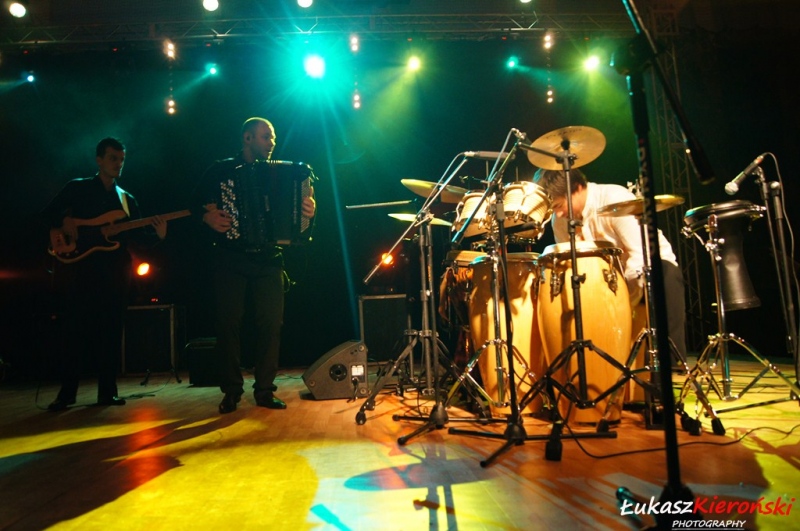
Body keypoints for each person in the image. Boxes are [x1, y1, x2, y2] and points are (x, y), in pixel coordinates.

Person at [192, 117, 316, 414]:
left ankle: (264, 390)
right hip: (230, 256)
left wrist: (310, 212)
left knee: (271, 323)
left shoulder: (288, 172)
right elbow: (193, 204)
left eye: (272, 137)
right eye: (266, 137)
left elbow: (302, 215)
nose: (272, 143)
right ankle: (231, 390)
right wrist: (206, 217)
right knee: (228, 324)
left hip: (269, 257)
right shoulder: (221, 170)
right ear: (247, 138)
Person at [42, 137, 168, 411]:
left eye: (122, 159)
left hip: (115, 273)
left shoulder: (126, 199)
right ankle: (66, 394)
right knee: (74, 332)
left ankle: (107, 393)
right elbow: (48, 212)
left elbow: (138, 238)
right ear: (99, 160)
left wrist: (158, 236)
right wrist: (65, 220)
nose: (118, 164)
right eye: (113, 158)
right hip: (82, 271)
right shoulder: (78, 187)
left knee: (111, 333)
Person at [533, 167, 687, 358]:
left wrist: (622, 301)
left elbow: (639, 256)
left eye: (559, 205)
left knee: (664, 275)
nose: (558, 214)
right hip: (605, 287)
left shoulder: (613, 198)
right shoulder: (559, 221)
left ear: (578, 188)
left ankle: (670, 363)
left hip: (646, 275)